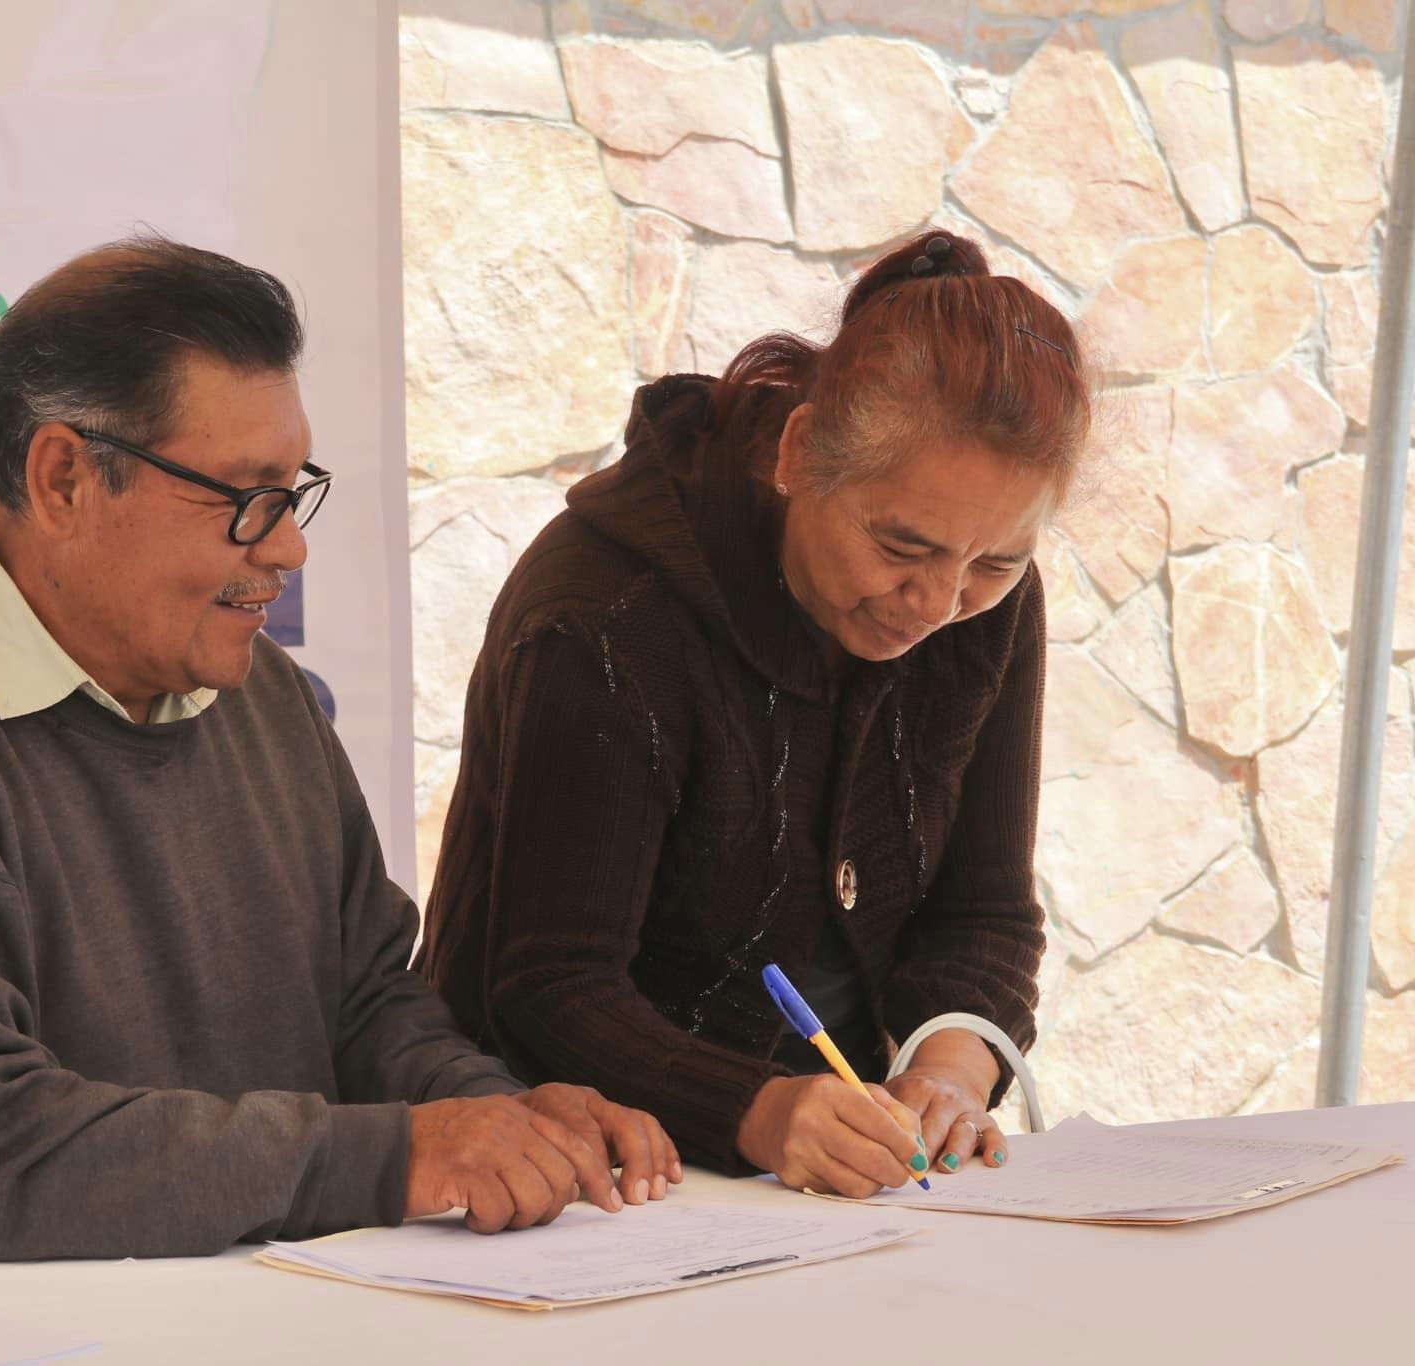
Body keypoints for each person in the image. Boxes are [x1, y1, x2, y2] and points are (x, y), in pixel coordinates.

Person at [0, 235, 679, 1271]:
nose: (287, 544)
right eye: (244, 496)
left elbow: (362, 1004)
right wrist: (395, 1155)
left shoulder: (261, 697)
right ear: (66, 477)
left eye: (291, 489)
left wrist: (493, 1117)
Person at [418, 230, 1091, 1200]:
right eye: (901, 545)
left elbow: (980, 909)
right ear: (798, 450)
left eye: (994, 562)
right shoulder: (605, 615)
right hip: (580, 1181)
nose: (937, 603)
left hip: (842, 1183)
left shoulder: (983, 601)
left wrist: (950, 1067)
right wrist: (759, 1108)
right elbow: (544, 985)